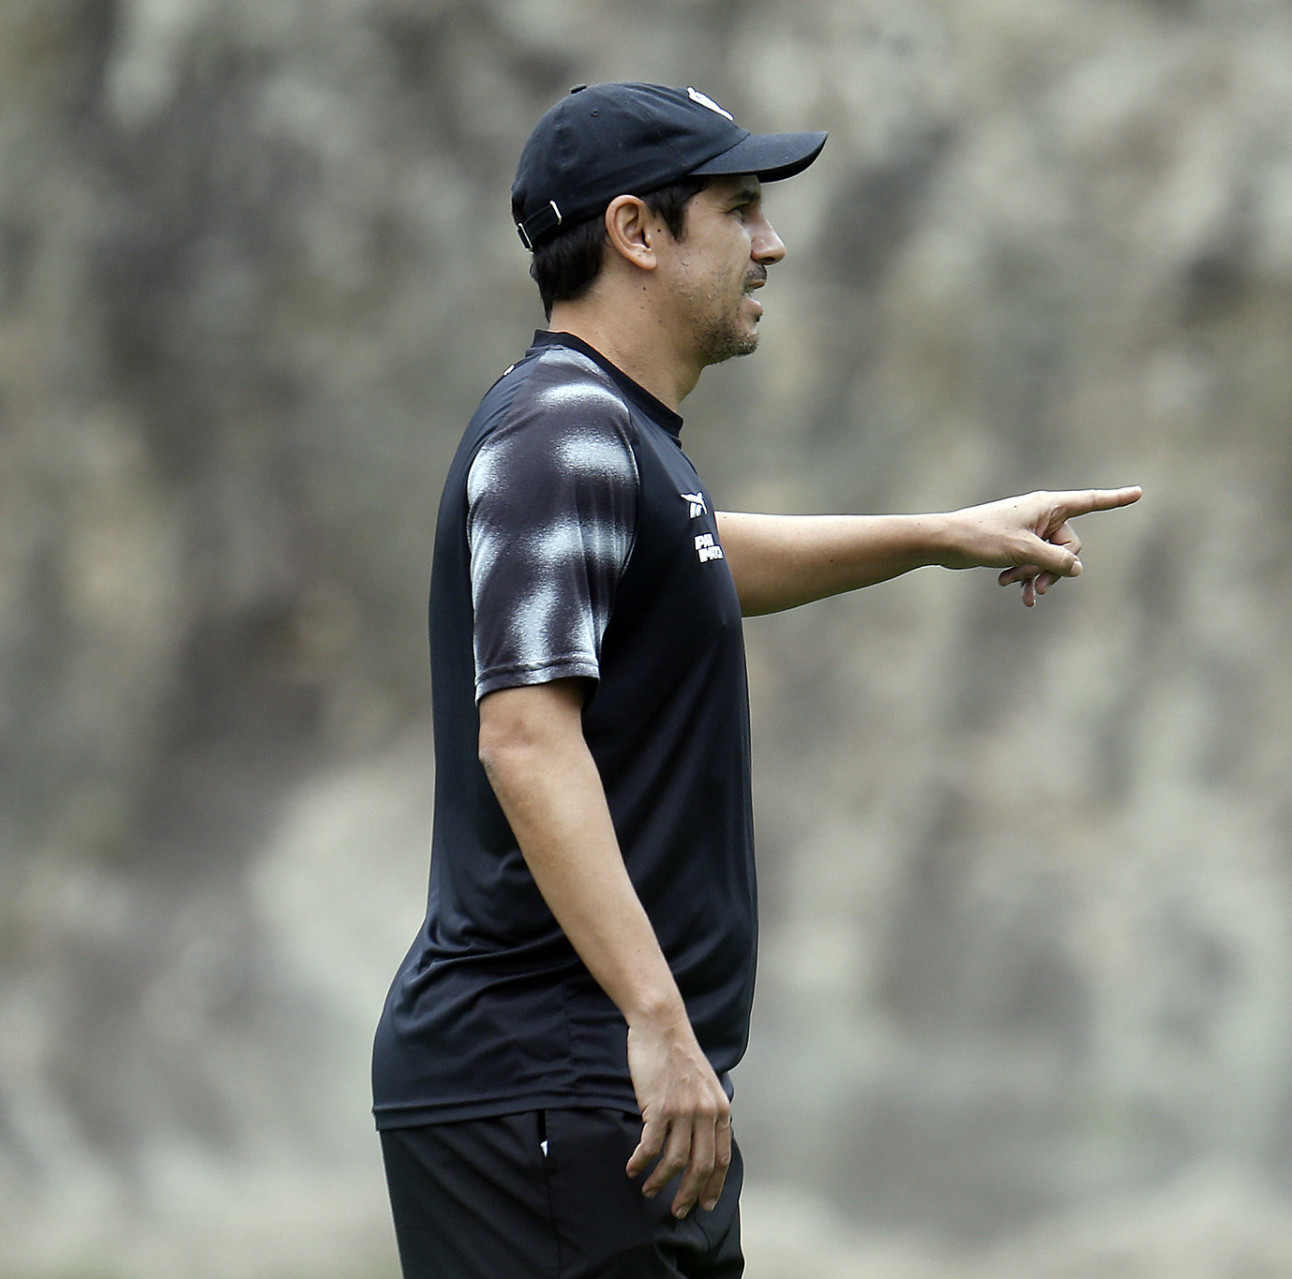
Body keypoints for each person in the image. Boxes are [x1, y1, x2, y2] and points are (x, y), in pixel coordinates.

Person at [370, 81, 1141, 1279]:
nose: (770, 242)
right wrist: (658, 1021)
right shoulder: (562, 431)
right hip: (553, 1076)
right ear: (636, 232)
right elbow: (524, 739)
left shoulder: (607, 440)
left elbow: (702, 557)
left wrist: (946, 533)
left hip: (589, 1082)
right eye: (738, 209)